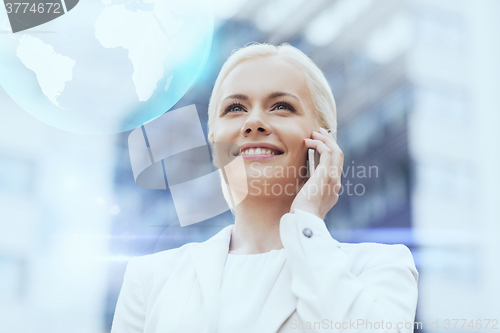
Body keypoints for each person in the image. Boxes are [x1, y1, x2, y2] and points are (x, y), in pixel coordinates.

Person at [111, 42, 418, 333]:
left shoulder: (377, 268)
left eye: (281, 106)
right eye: (235, 108)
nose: (254, 122)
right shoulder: (150, 279)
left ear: (322, 141)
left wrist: (307, 218)